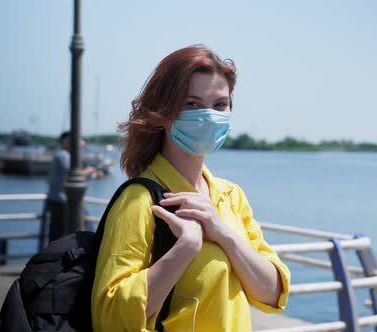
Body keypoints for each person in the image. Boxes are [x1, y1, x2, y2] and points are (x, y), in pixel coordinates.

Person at [91, 45, 290, 331]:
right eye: (192, 104)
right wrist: (186, 248)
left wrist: (223, 234)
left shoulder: (230, 196)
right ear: (163, 112)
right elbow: (109, 316)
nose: (208, 116)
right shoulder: (140, 199)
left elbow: (272, 293)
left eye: (220, 105)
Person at [47, 132, 103, 242]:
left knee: (60, 234)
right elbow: (74, 174)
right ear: (68, 142)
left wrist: (92, 174)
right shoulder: (64, 155)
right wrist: (91, 170)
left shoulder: (62, 155)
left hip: (60, 200)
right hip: (62, 201)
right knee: (63, 234)